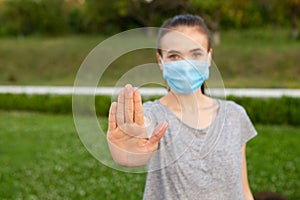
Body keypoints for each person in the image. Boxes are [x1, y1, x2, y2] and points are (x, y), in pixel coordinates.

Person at [107, 14, 257, 200]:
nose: (186, 64)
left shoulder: (234, 115)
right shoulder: (151, 116)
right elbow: (135, 151)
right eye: (174, 56)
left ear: (209, 57)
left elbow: (243, 189)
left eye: (195, 54)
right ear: (160, 61)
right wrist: (127, 154)